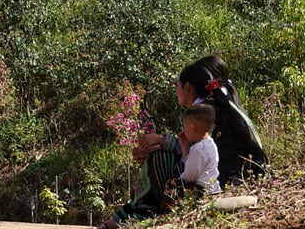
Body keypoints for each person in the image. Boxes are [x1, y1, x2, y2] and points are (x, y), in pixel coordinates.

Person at [97, 57, 267, 229]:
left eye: (178, 85)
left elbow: (198, 151)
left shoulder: (207, 111)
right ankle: (121, 220)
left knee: (159, 160)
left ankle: (150, 214)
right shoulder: (220, 105)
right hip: (229, 175)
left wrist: (161, 142)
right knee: (158, 158)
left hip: (220, 181)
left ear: (188, 87)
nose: (176, 90)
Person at [177, 103, 220, 195]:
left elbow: (189, 176)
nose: (184, 131)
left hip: (202, 191)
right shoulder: (211, 144)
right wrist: (184, 146)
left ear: (192, 128)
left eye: (185, 127)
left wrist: (178, 180)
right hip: (214, 188)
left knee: (171, 184)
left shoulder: (198, 149)